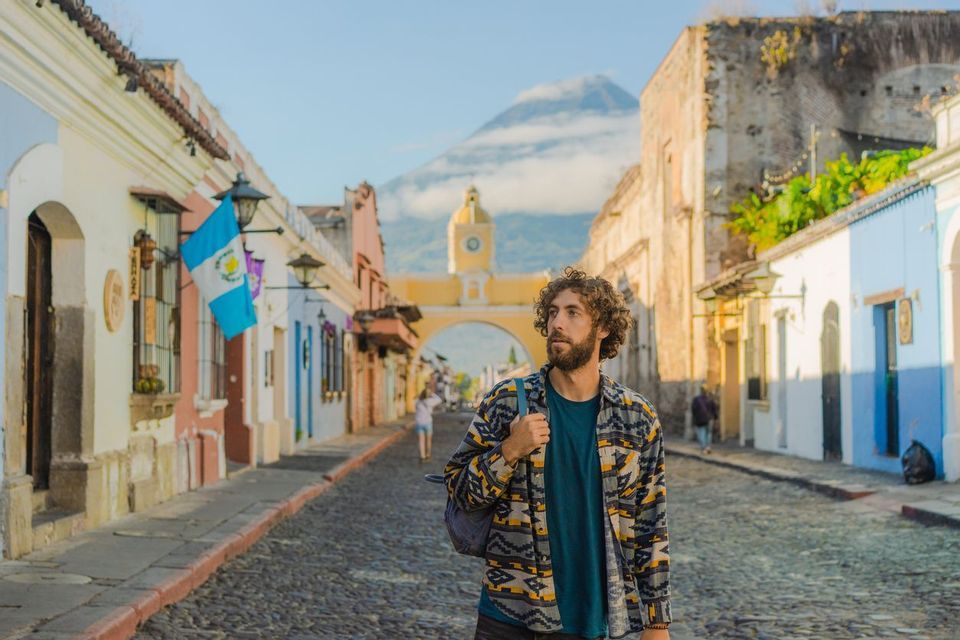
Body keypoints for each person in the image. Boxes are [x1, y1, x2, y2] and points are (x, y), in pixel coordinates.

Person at [445, 267, 671, 640]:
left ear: (603, 328)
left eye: (572, 312)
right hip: (509, 611)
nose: (557, 323)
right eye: (552, 312)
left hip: (588, 618)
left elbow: (651, 524)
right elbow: (460, 491)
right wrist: (508, 451)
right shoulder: (507, 402)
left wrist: (657, 623)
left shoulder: (636, 418)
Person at [415, 385, 443, 462]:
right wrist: (432, 394)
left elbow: (416, 408)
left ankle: (422, 456)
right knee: (428, 440)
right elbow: (439, 399)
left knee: (421, 441)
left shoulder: (417, 402)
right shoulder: (430, 401)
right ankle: (428, 455)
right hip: (428, 423)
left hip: (419, 423)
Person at [691, 385, 718, 454]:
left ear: (701, 391)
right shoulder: (710, 399)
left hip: (700, 419)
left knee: (702, 433)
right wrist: (715, 417)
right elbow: (714, 408)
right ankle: (708, 447)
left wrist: (694, 419)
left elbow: (693, 410)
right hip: (710, 419)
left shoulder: (696, 399)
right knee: (708, 433)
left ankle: (704, 448)